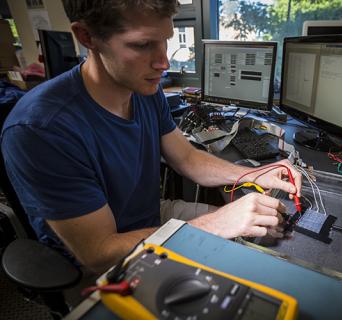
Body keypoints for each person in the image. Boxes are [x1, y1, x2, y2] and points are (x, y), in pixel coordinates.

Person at [0, 0, 302, 274]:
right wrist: (216, 224)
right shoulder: (40, 129)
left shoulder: (145, 88)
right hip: (101, 265)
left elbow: (187, 158)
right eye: (143, 45)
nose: (164, 62)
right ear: (87, 37)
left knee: (261, 234)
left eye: (165, 41)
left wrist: (256, 174)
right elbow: (98, 252)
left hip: (152, 216)